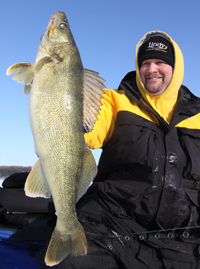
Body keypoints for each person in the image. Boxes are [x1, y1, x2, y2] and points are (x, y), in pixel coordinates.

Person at [38, 30, 200, 269]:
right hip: (110, 225)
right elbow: (85, 130)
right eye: (145, 63)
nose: (152, 69)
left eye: (161, 62)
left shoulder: (197, 115)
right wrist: (55, 88)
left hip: (181, 239)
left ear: (176, 68)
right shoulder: (113, 101)